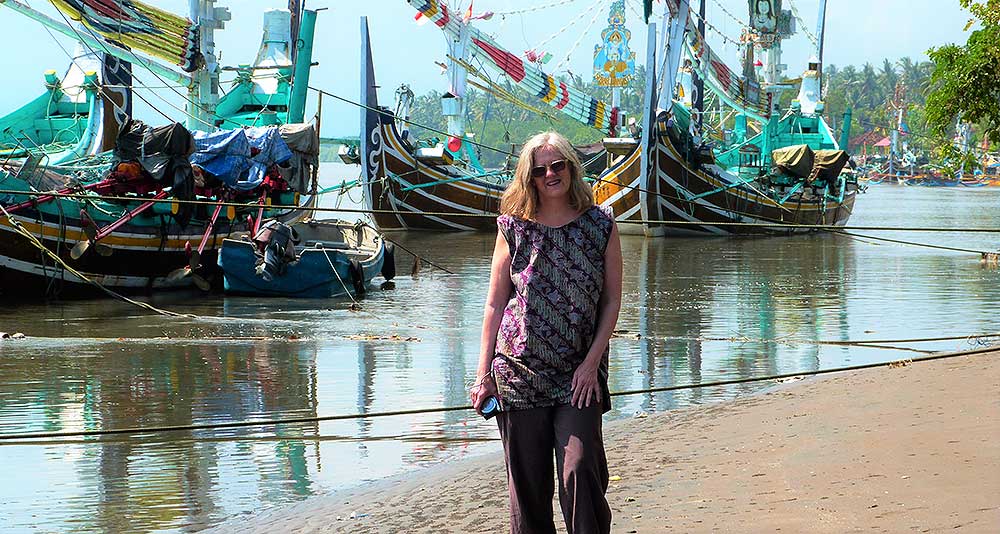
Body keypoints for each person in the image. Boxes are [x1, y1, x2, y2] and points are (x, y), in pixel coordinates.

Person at [471, 131, 623, 534]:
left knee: (580, 468)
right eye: (540, 170)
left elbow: (610, 302)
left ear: (572, 168)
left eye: (558, 166)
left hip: (579, 374)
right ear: (529, 178)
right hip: (519, 373)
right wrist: (482, 374)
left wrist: (592, 364)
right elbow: (494, 304)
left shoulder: (601, 225)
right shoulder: (512, 228)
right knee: (528, 488)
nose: (550, 175)